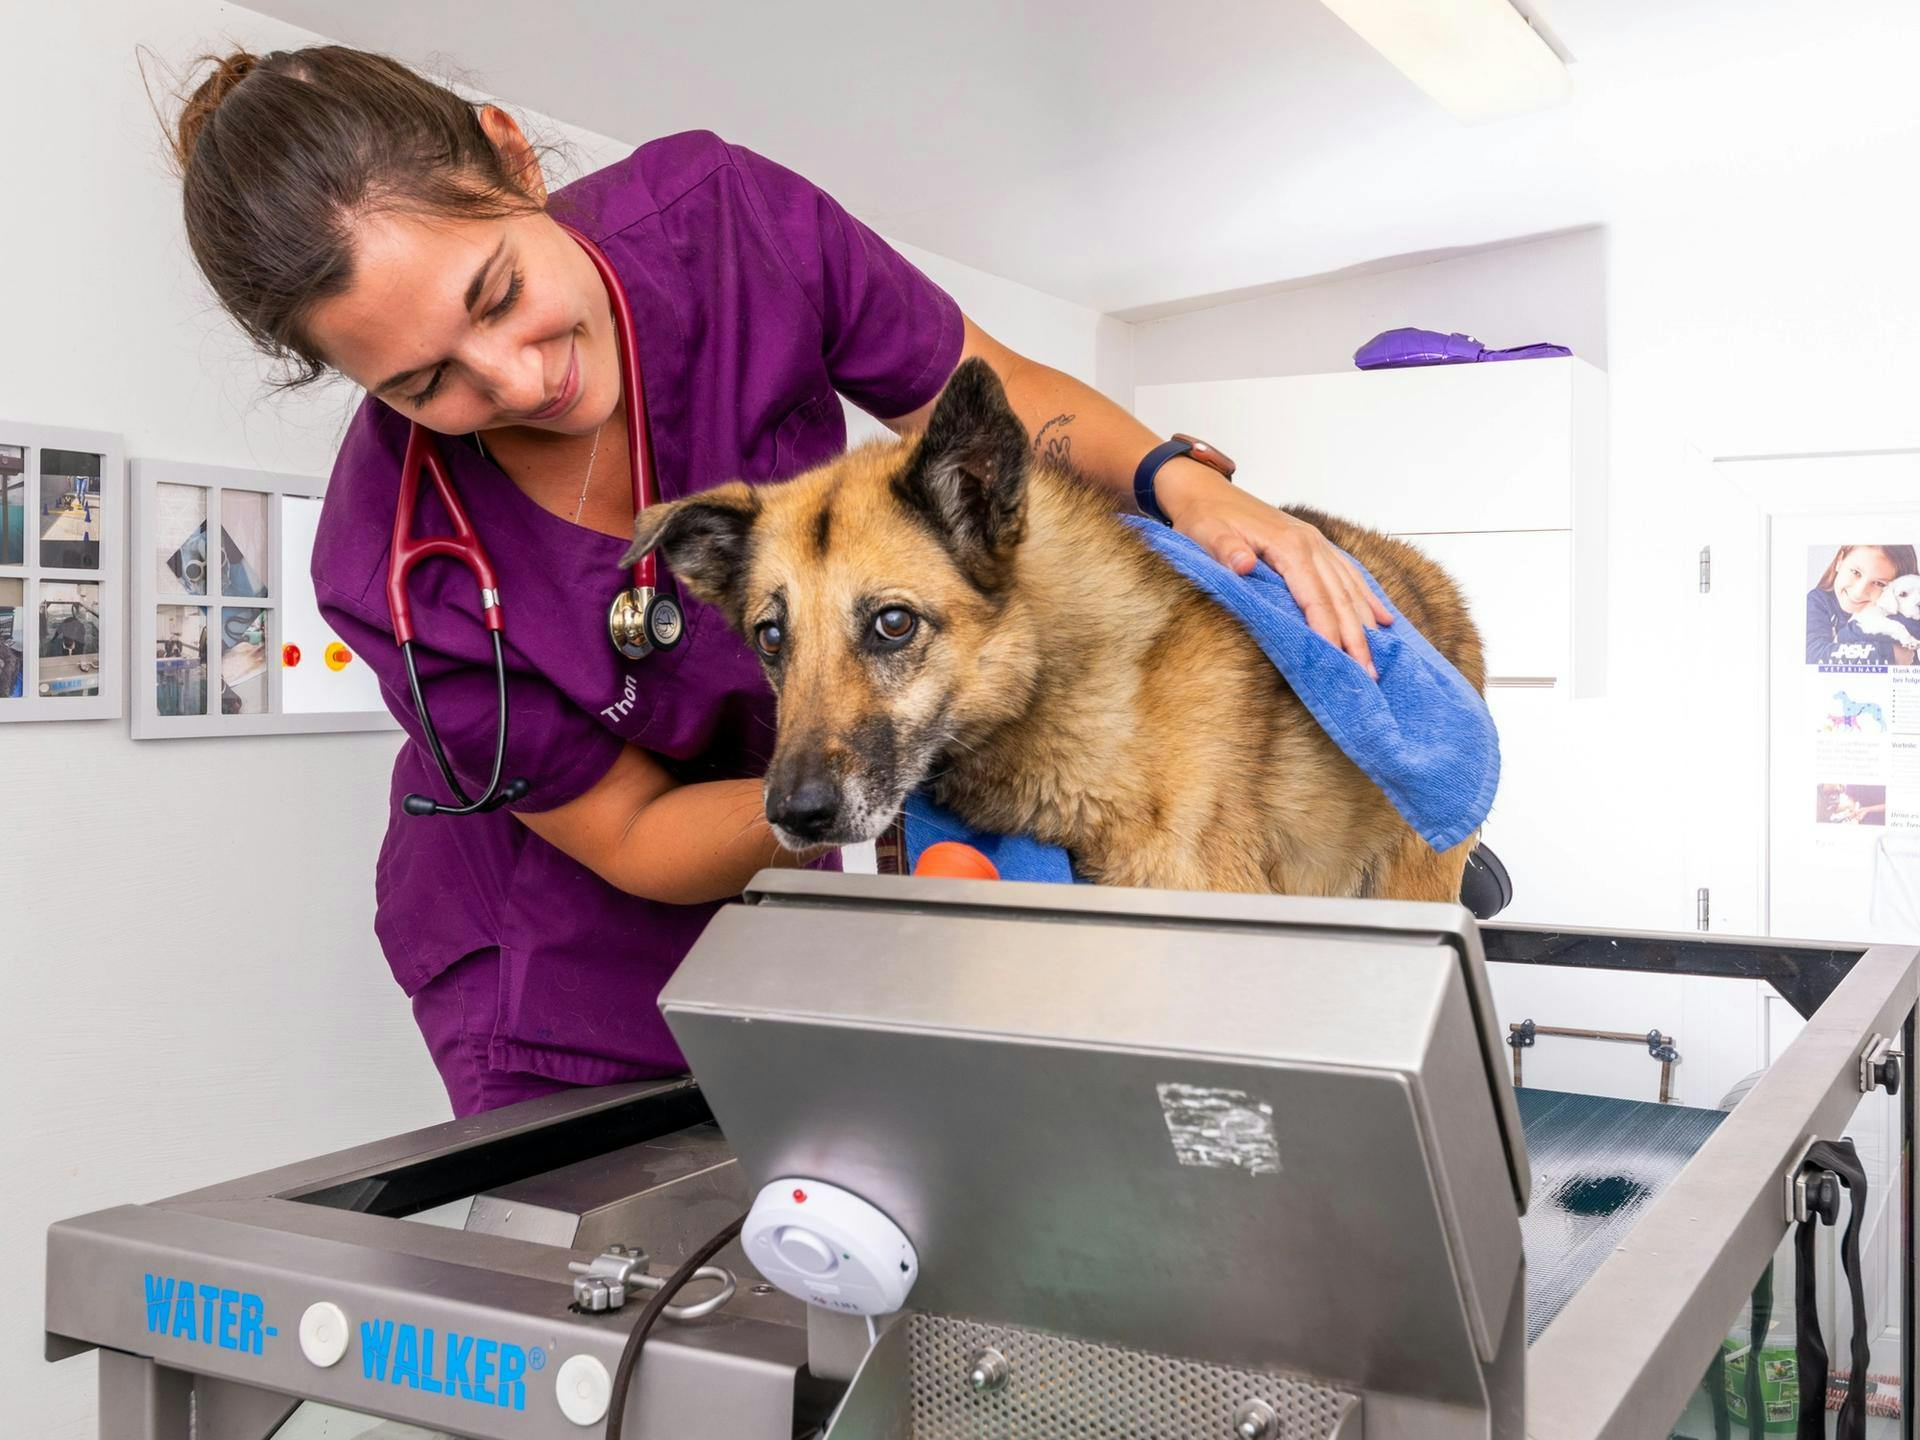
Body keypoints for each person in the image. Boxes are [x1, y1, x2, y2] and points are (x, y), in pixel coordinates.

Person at [167, 46, 1390, 1116]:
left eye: (503, 295)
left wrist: (1187, 485)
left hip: (808, 898)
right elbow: (637, 836)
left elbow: (986, 400)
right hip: (553, 976)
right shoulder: (391, 559)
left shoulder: (727, 222)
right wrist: (840, 787)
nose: (517, 380)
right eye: (425, 384)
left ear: (514, 158)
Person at [1806, 543, 1919, 665]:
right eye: (1855, 572)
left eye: (1879, 583)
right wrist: (1889, 654)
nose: (1859, 592)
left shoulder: (1901, 612)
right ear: (1839, 560)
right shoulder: (1818, 602)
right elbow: (1813, 656)